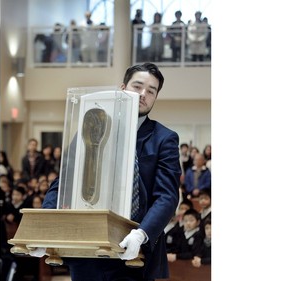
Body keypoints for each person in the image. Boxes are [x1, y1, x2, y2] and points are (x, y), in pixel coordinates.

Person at [41, 62, 181, 281]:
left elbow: (167, 196)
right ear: (123, 87)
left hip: (134, 252)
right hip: (87, 247)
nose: (143, 94)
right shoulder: (92, 127)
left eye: (151, 91)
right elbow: (64, 182)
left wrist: (142, 234)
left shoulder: (164, 138)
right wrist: (47, 223)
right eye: (138, 86)